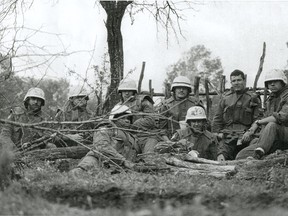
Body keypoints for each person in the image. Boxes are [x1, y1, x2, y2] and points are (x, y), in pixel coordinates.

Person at [70, 104, 160, 174]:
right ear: (114, 119)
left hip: (119, 169)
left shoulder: (134, 138)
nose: (127, 120)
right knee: (80, 172)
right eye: (123, 117)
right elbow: (101, 147)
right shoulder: (106, 128)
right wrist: (123, 161)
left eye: (128, 118)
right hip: (98, 160)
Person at [236, 69, 288, 160]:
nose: (272, 84)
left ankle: (259, 153)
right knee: (241, 156)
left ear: (282, 82)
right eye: (269, 82)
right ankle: (263, 154)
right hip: (272, 139)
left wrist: (258, 122)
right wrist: (253, 131)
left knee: (272, 125)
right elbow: (265, 117)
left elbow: (282, 117)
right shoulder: (271, 99)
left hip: (284, 135)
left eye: (275, 81)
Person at [212, 69, 262, 161]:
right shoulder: (225, 98)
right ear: (231, 82)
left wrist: (250, 132)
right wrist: (217, 133)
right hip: (228, 135)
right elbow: (217, 118)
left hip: (246, 135)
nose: (236, 83)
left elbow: (258, 119)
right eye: (233, 81)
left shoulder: (253, 98)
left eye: (239, 80)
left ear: (244, 81)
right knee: (220, 154)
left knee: (253, 150)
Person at [116, 78, 159, 152]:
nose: (126, 93)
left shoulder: (143, 101)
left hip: (147, 136)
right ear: (120, 92)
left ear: (134, 92)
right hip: (129, 138)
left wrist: (133, 126)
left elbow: (151, 120)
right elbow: (113, 123)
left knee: (149, 155)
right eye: (124, 91)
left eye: (129, 91)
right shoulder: (118, 107)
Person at [157, 75, 203, 140]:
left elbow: (204, 124)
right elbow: (162, 129)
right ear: (174, 90)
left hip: (194, 138)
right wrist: (168, 142)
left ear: (188, 90)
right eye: (179, 88)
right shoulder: (166, 105)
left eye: (184, 88)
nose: (181, 90)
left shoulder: (195, 103)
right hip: (172, 138)